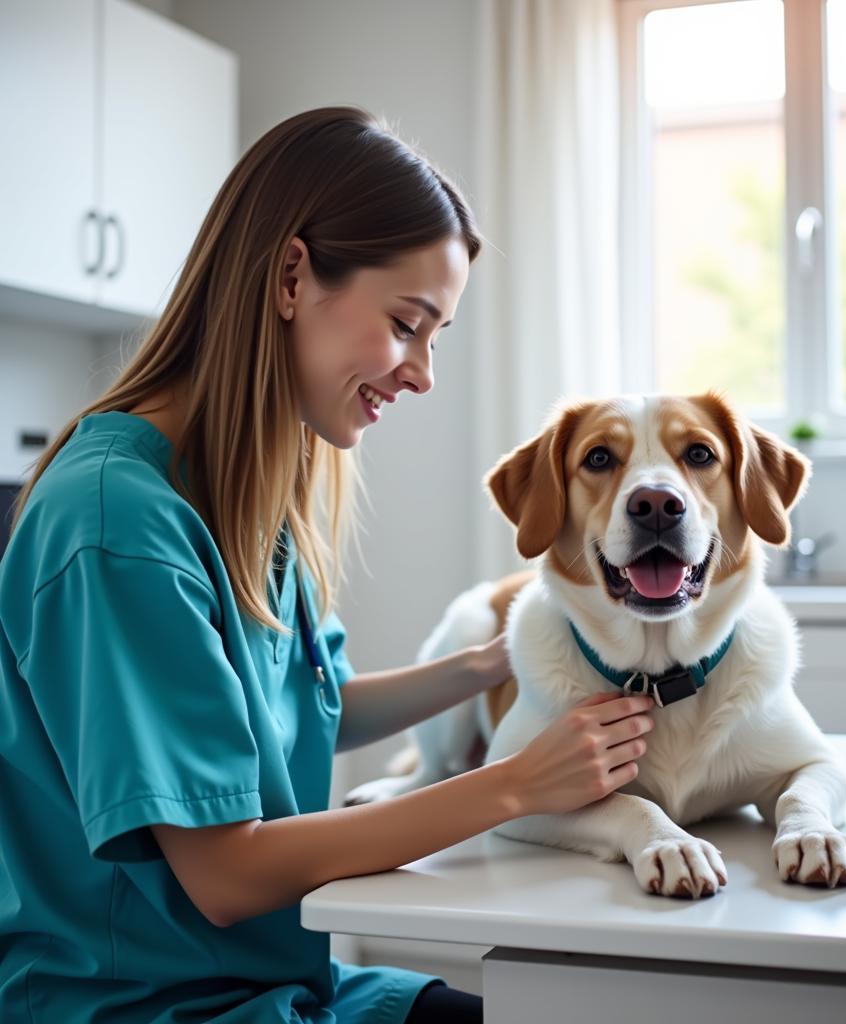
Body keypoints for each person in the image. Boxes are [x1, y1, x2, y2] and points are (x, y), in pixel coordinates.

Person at [0, 106, 655, 1023]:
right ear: (293, 276)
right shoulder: (116, 523)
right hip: (145, 1005)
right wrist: (514, 783)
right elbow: (226, 873)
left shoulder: (238, 490)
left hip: (281, 984)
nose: (423, 372)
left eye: (437, 336)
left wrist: (503, 657)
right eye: (407, 323)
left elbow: (309, 704)